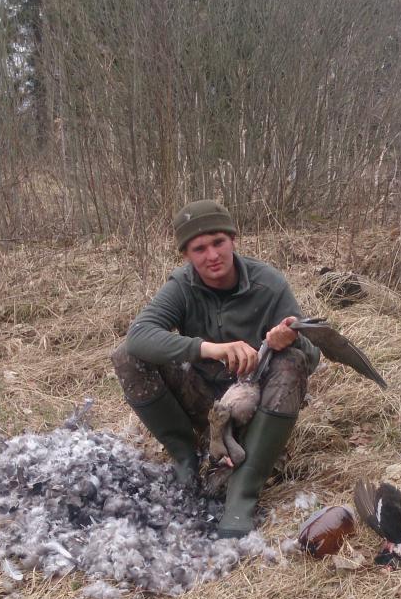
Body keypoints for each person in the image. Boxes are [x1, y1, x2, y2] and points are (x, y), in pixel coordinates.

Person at [111, 199, 319, 537]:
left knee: (292, 360)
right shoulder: (182, 285)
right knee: (127, 356)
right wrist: (209, 349)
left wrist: (289, 339)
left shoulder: (269, 284)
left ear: (233, 239)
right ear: (186, 255)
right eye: (199, 248)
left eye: (218, 242)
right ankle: (186, 459)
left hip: (256, 411)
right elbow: (138, 337)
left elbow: (313, 356)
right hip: (204, 403)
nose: (212, 255)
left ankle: (243, 492)